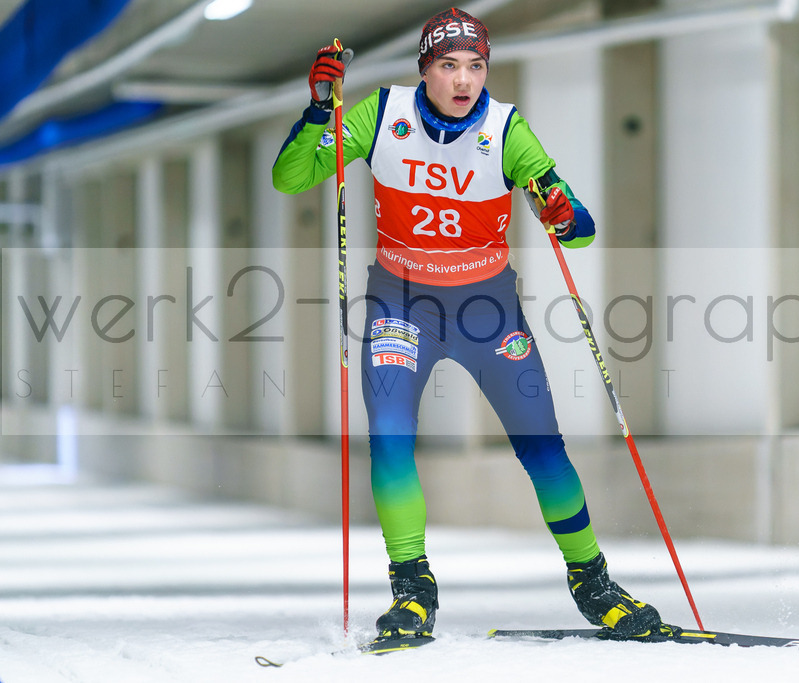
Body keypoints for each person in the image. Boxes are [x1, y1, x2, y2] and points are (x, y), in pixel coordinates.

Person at [273, 7, 666, 642]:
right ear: (425, 70)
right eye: (449, 66)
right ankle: (412, 589)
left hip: (488, 311)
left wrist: (564, 215)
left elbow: (580, 229)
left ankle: (592, 582)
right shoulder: (379, 115)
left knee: (543, 444)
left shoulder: (508, 129)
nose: (463, 81)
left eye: (476, 66)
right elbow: (290, 178)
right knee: (392, 438)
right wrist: (321, 110)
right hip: (401, 306)